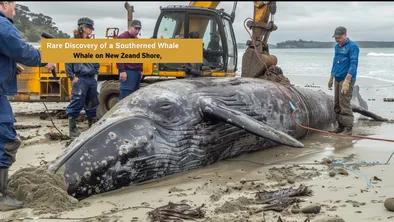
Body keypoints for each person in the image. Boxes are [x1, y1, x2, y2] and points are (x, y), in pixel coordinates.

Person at [0, 1, 56, 210]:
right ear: (4, 4)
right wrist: (44, 60)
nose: (15, 10)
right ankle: (1, 196)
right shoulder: (3, 26)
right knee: (6, 140)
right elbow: (22, 49)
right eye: (13, 5)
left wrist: (11, 66)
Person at [65, 17, 100, 140]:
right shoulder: (73, 42)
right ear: (83, 28)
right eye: (89, 28)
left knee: (92, 103)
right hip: (80, 78)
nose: (91, 30)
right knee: (77, 101)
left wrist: (96, 73)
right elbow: (68, 60)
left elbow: (96, 59)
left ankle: (92, 128)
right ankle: (73, 131)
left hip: (91, 78)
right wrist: (71, 76)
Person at [328, 26, 360, 135]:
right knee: (336, 104)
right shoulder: (337, 47)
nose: (337, 40)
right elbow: (335, 61)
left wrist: (347, 80)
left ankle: (348, 128)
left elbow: (353, 64)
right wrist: (331, 76)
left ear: (345, 35)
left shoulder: (353, 47)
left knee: (344, 103)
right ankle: (340, 126)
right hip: (337, 78)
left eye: (339, 37)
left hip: (346, 80)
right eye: (335, 38)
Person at [116, 19, 143, 101]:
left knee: (134, 96)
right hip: (128, 71)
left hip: (136, 71)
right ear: (130, 27)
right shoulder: (122, 38)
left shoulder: (136, 40)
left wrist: (141, 69)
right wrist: (122, 71)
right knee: (125, 97)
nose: (137, 31)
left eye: (139, 29)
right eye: (136, 29)